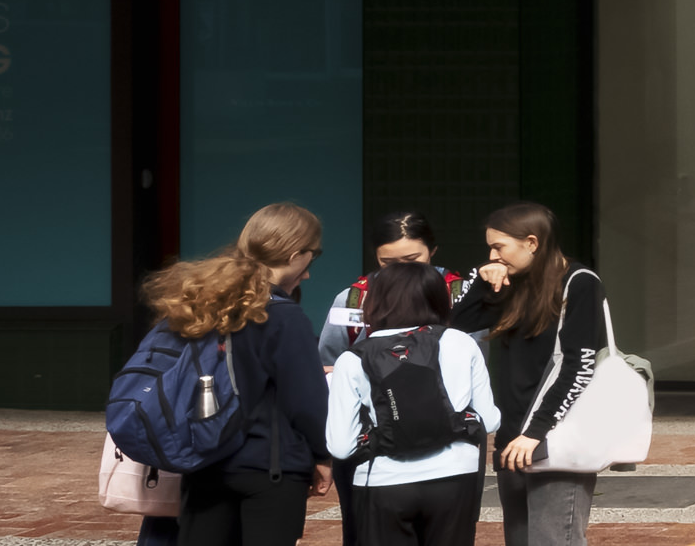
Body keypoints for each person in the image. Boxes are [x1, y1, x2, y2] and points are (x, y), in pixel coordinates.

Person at [134, 203, 326, 546]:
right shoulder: (284, 316)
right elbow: (307, 403)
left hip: (203, 459)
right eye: (313, 256)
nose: (309, 271)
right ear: (297, 254)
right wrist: (324, 456)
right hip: (270, 468)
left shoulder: (200, 301)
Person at [461, 202, 612, 546]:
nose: (493, 255)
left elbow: (579, 366)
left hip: (553, 437)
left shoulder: (580, 283)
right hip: (512, 439)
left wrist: (536, 431)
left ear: (531, 242)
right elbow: (459, 324)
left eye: (499, 247)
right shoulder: (511, 284)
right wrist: (486, 284)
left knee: (553, 539)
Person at [322, 258, 495, 546]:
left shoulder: (352, 358)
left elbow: (341, 446)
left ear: (374, 302)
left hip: (383, 481)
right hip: (455, 477)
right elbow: (489, 421)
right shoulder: (460, 342)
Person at [317, 214, 445, 362]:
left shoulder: (458, 294)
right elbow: (329, 363)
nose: (402, 269)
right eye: (389, 262)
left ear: (432, 251)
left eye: (412, 259)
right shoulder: (351, 300)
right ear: (376, 257)